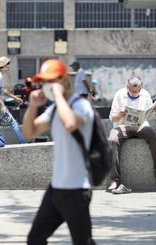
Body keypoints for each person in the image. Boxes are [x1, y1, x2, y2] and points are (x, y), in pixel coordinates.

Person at [22, 59, 95, 244]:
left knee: (82, 242)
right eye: (45, 82)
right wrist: (32, 106)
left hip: (77, 189)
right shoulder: (54, 109)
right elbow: (29, 132)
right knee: (35, 239)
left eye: (51, 81)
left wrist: (60, 96)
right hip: (56, 189)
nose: (47, 86)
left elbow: (71, 124)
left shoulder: (81, 105)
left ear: (64, 80)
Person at [107, 76, 156, 194]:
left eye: (137, 91)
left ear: (141, 88)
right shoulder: (119, 94)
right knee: (112, 139)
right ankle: (114, 180)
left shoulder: (145, 94)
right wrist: (120, 115)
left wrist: (154, 110)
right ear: (127, 87)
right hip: (122, 126)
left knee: (155, 136)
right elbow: (112, 117)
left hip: (141, 126)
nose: (134, 93)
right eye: (131, 91)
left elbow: (149, 117)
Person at [0, 56, 25, 144]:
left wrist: (15, 98)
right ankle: (23, 143)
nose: (8, 67)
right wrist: (2, 105)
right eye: (7, 65)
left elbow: (2, 91)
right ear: (3, 65)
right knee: (13, 123)